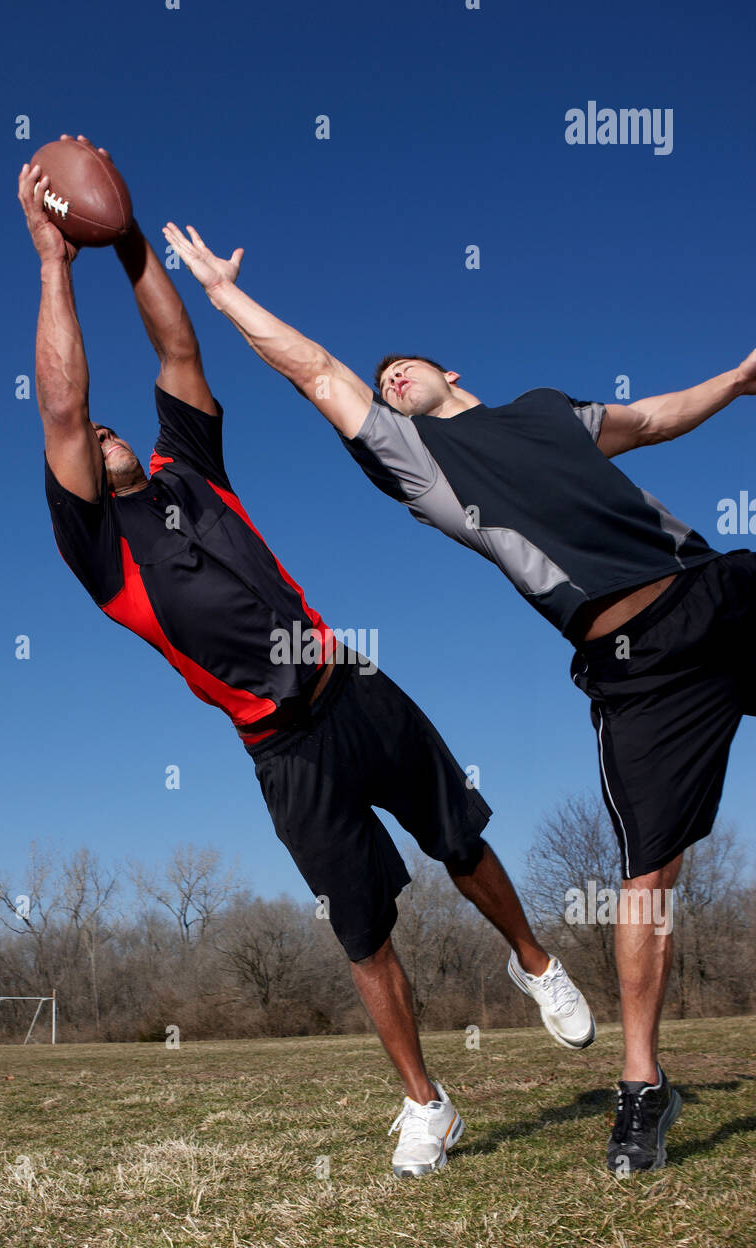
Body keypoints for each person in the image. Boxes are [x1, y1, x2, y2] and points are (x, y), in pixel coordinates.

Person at [17, 138, 594, 1179]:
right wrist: (55, 259)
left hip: (354, 685)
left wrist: (127, 239)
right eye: (89, 439)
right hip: (284, 750)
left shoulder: (185, 467)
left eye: (112, 432)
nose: (101, 433)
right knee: (364, 935)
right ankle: (428, 1104)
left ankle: (537, 961)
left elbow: (178, 357)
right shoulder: (97, 552)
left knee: (461, 842)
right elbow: (62, 402)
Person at [163, 216, 756, 1173]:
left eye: (406, 365)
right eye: (383, 375)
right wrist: (223, 294)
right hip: (638, 665)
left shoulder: (542, 410)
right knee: (650, 878)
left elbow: (648, 419)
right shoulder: (415, 461)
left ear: (453, 370)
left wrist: (734, 379)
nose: (389, 375)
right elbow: (315, 369)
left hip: (718, 591)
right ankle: (643, 1090)